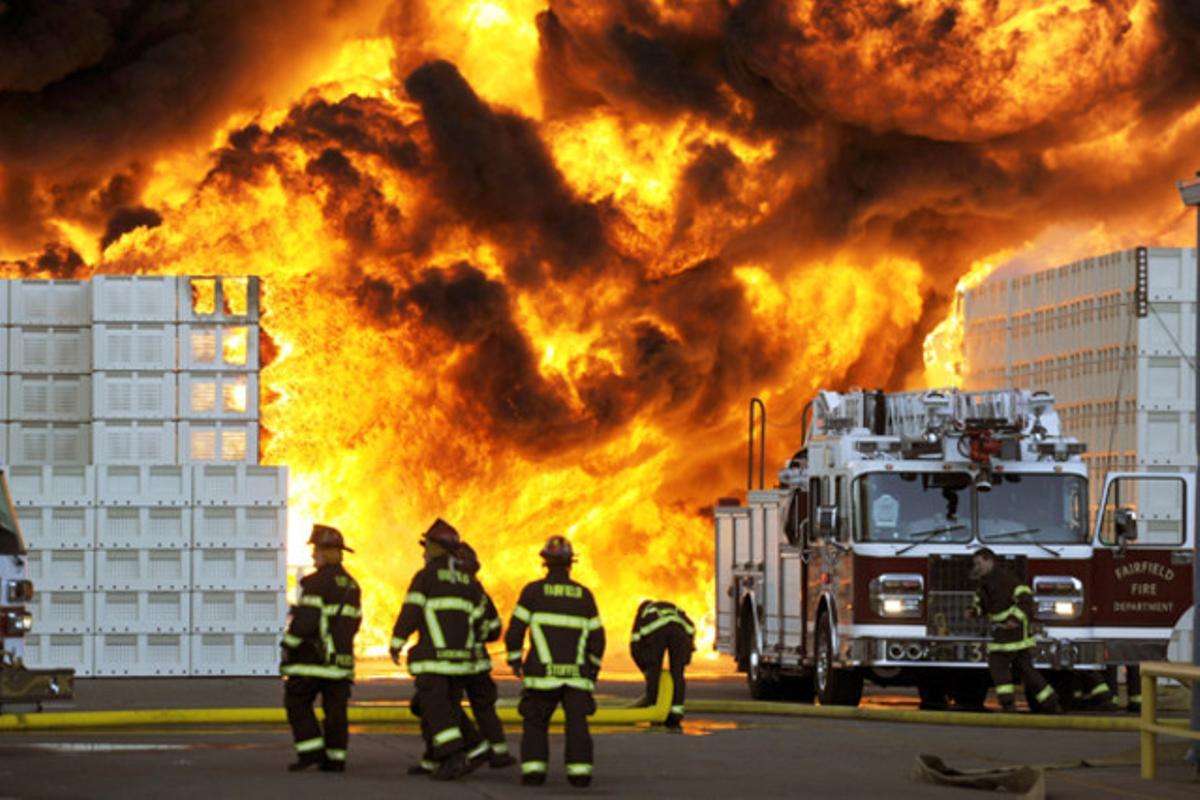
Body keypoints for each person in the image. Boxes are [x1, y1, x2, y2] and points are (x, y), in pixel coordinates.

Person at [505, 535, 605, 787]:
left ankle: (534, 773)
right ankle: (580, 774)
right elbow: (597, 638)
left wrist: (515, 659)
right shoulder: (584, 596)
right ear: (570, 564)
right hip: (577, 676)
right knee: (577, 724)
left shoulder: (533, 592)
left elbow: (516, 629)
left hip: (541, 675)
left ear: (545, 563)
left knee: (536, 723)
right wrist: (592, 669)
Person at [390, 518, 483, 781]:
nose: (424, 551)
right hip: (461, 662)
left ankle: (453, 756)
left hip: (433, 660)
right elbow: (479, 619)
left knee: (435, 709)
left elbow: (411, 610)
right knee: (442, 707)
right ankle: (433, 760)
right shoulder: (467, 580)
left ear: (437, 547)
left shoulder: (426, 576)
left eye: (427, 545)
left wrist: (398, 640)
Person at [281, 524, 362, 772]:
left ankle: (311, 752)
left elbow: (306, 622)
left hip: (315, 660)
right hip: (341, 661)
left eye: (316, 550)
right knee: (336, 710)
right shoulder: (351, 585)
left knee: (296, 701)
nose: (313, 555)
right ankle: (335, 758)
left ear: (328, 552)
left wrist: (288, 645)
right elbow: (355, 622)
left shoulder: (316, 583)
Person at [970, 547, 1062, 714]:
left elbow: (1025, 599)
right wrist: (974, 612)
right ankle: (1051, 703)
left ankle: (1008, 705)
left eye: (979, 563)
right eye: (975, 564)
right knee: (1027, 671)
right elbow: (984, 605)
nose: (977, 567)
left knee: (998, 665)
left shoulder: (1005, 580)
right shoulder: (985, 582)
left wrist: (1014, 620)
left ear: (990, 561)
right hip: (1004, 632)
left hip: (1012, 633)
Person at [457, 541, 517, 768]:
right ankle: (498, 752)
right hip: (478, 664)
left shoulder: (443, 590)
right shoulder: (480, 594)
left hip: (450, 663)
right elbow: (494, 630)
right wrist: (478, 635)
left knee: (444, 706)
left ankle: (465, 749)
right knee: (484, 708)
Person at [630, 599, 695, 730]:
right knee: (677, 673)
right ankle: (675, 714)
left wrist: (645, 668)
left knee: (654, 671)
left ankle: (654, 710)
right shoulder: (676, 609)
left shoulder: (643, 614)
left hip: (657, 632)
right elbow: (691, 630)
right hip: (679, 632)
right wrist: (684, 658)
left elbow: (635, 644)